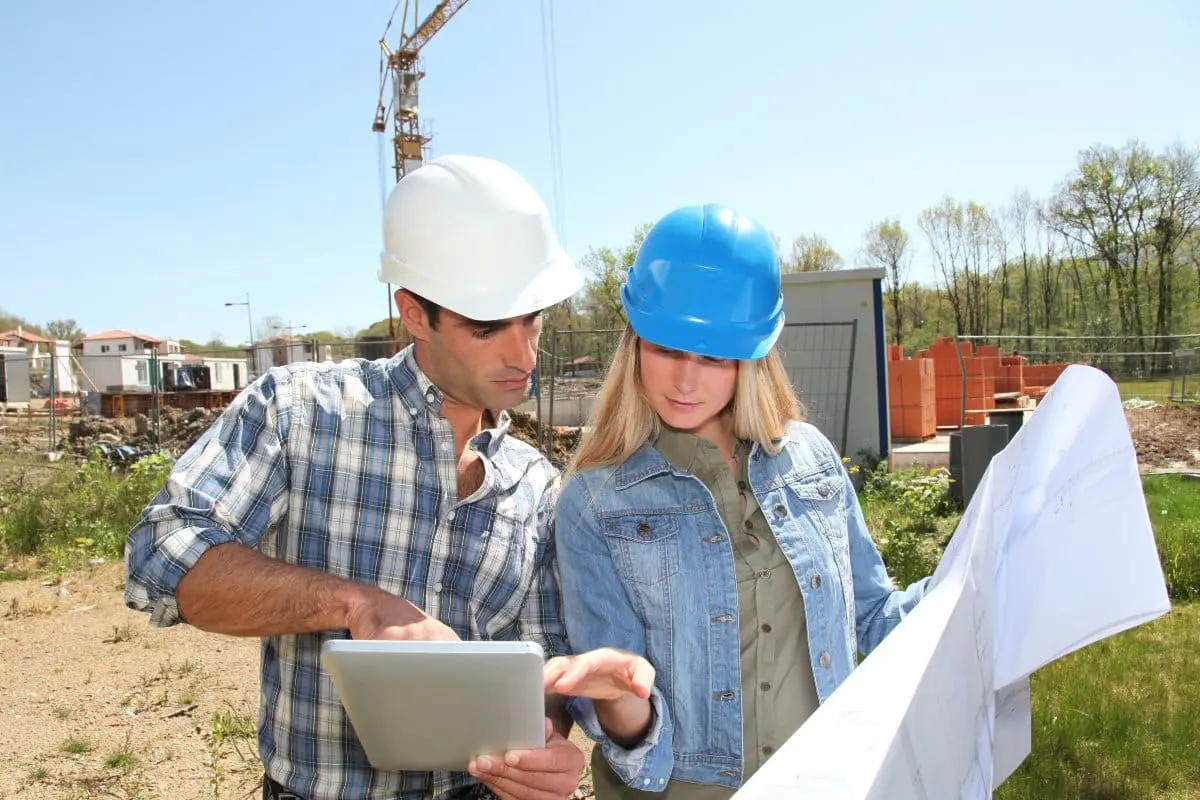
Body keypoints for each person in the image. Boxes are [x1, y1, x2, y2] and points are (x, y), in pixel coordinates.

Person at [123, 154, 647, 800]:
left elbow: (542, 665)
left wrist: (545, 746)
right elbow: (160, 555)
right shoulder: (298, 413)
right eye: (487, 327)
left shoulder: (535, 485)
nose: (524, 354)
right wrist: (354, 604)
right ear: (414, 313)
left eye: (532, 318)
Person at [551, 203, 933, 797]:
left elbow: (874, 618)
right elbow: (626, 729)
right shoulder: (594, 502)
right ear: (634, 343)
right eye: (667, 349)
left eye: (713, 356)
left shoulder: (809, 459)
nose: (685, 380)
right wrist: (624, 701)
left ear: (752, 357)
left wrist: (975, 570)